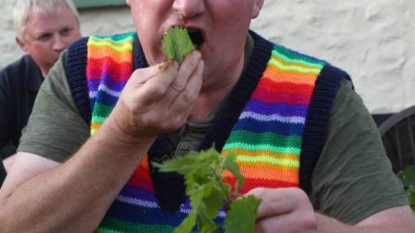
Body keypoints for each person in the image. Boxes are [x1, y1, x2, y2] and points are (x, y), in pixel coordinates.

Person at [0, 0, 414, 232]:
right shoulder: (84, 72)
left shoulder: (321, 96)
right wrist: (124, 135)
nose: (186, 6)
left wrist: (322, 231)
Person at [0, 0, 81, 171]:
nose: (59, 45)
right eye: (45, 36)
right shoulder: (6, 84)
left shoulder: (105, 72)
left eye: (66, 31)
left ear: (79, 29)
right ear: (23, 45)